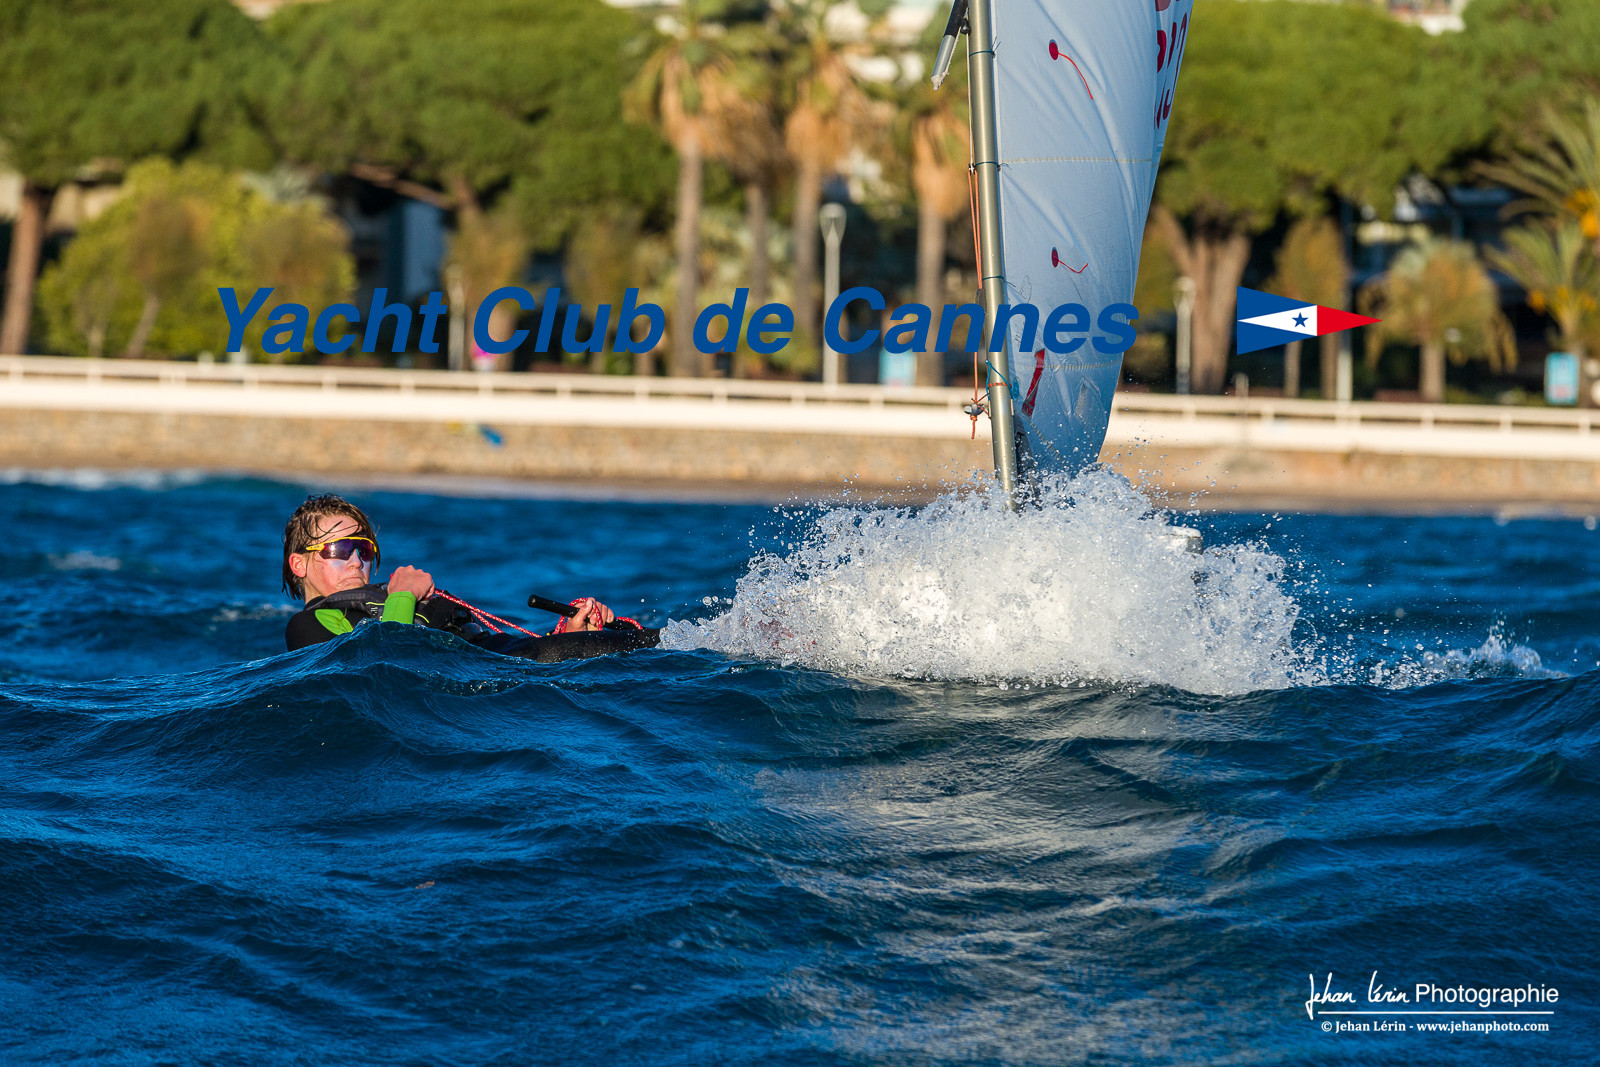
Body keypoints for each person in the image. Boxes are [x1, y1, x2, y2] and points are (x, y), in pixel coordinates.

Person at [281, 494, 658, 661]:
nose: (355, 561)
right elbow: (382, 664)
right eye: (338, 549)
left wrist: (568, 634)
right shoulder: (306, 626)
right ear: (299, 564)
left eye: (364, 550)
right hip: (505, 678)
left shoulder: (386, 597)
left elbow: (496, 648)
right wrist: (404, 596)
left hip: (514, 663)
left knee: (649, 641)